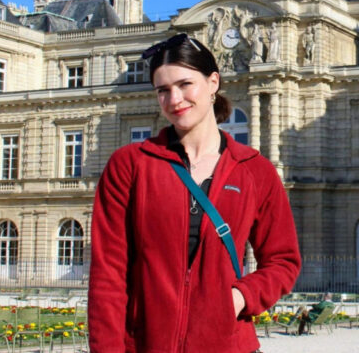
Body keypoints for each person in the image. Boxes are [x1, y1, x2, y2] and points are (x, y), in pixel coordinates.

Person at [88, 33, 301, 352]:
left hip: (228, 344)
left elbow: (283, 261)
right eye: (163, 90)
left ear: (213, 82)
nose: (174, 100)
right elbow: (108, 276)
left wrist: (240, 298)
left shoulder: (255, 171)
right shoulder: (130, 165)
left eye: (185, 84)